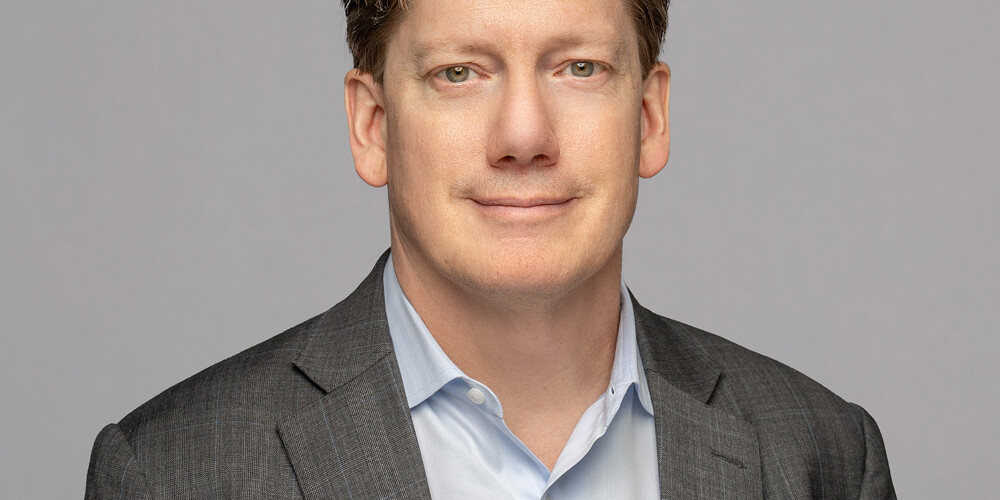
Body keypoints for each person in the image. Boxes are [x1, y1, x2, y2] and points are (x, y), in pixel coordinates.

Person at [86, 0, 895, 498]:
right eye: (459, 73)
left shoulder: (821, 458)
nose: (524, 135)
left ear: (650, 118)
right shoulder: (174, 475)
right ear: (373, 127)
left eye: (578, 68)